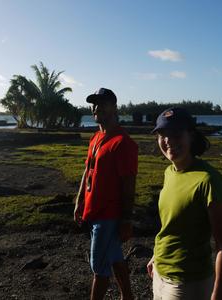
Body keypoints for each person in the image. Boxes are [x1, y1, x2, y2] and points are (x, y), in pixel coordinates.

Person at [147, 107, 222, 300]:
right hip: (160, 273)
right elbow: (170, 225)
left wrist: (217, 296)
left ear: (191, 136)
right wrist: (156, 256)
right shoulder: (170, 172)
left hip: (187, 283)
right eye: (162, 134)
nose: (168, 140)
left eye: (176, 134)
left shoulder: (209, 180)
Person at [74, 88, 138, 300]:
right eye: (94, 104)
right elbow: (87, 170)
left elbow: (129, 183)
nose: (96, 108)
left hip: (109, 215)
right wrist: (79, 200)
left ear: (114, 107)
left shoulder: (122, 142)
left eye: (102, 103)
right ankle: (127, 296)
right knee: (114, 256)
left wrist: (127, 219)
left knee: (98, 266)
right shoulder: (96, 138)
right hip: (93, 211)